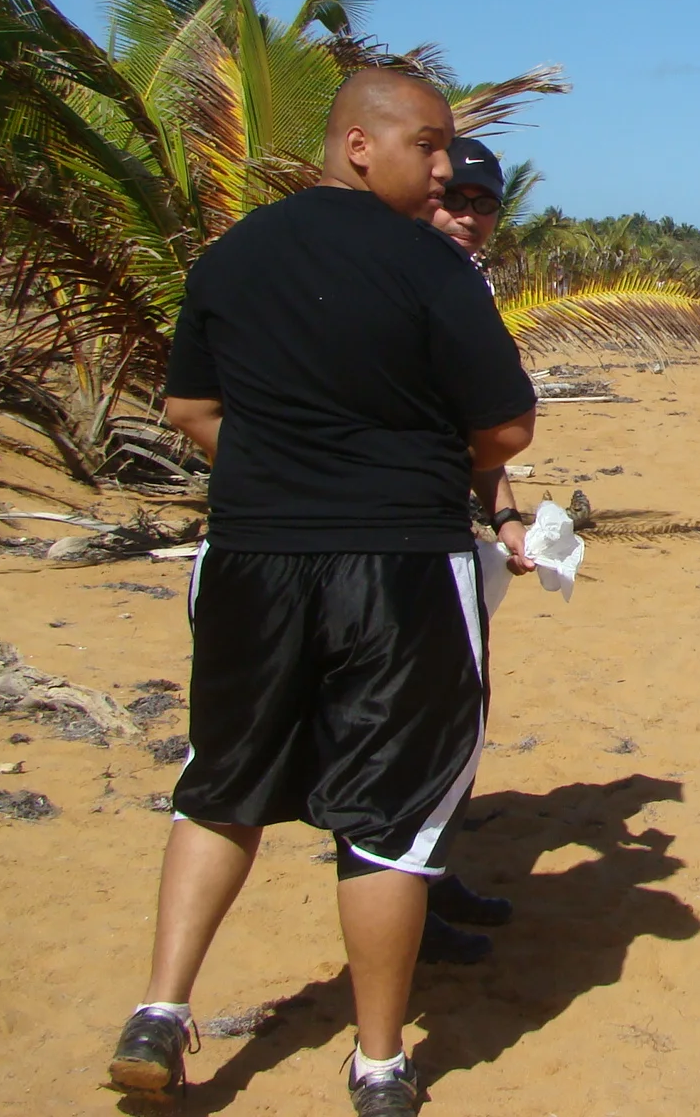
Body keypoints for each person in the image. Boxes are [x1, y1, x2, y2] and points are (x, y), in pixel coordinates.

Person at [107, 70, 538, 1116]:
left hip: (250, 558)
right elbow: (506, 427)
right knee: (390, 814)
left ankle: (160, 1010)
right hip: (400, 562)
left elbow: (189, 406)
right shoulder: (430, 267)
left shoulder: (231, 256)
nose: (443, 167)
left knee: (223, 783)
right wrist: (404, 469)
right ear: (358, 144)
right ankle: (380, 1063)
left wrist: (282, 471)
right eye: (427, 145)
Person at [413, 135, 535, 966]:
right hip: (389, 541)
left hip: (442, 535)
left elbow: (480, 428)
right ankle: (406, 889)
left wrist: (506, 519)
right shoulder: (397, 280)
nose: (466, 214)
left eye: (483, 204)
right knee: (418, 724)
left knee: (458, 716)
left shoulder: (467, 286)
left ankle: (430, 870)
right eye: (453, 197)